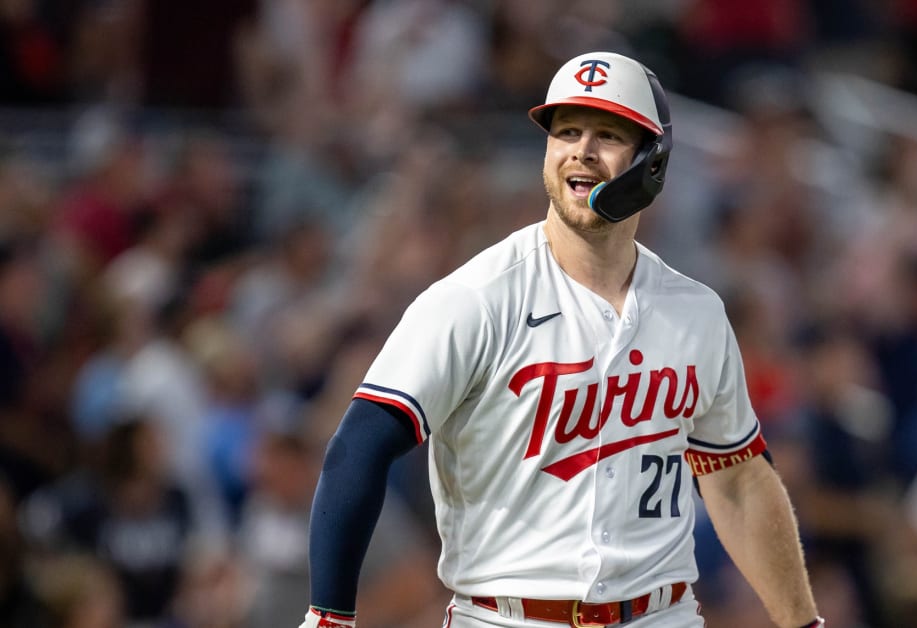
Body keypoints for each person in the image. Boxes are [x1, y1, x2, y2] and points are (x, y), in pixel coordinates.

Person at [298, 50, 823, 628]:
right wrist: (330, 617)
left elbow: (740, 480)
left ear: (653, 160)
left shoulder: (695, 312)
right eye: (566, 131)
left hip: (661, 615)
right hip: (507, 617)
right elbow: (358, 448)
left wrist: (803, 623)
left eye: (607, 134)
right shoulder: (477, 298)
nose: (581, 150)